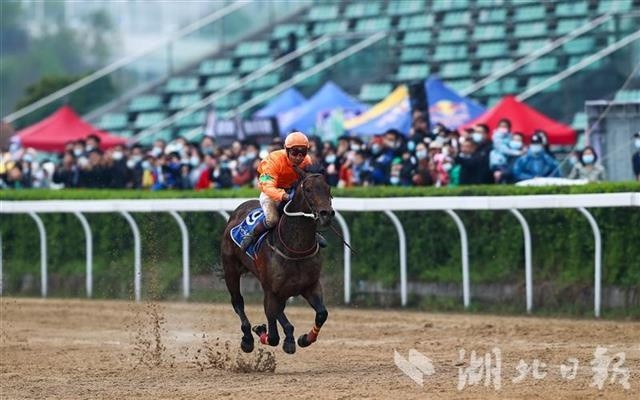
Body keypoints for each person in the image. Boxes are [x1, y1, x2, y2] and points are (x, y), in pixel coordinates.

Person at [240, 131, 326, 251]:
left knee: (308, 212)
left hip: (292, 192)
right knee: (272, 219)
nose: (299, 157)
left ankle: (313, 234)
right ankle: (252, 235)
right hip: (272, 193)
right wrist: (284, 196)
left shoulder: (307, 161)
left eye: (303, 152)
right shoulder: (272, 161)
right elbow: (267, 186)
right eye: (295, 152)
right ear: (286, 150)